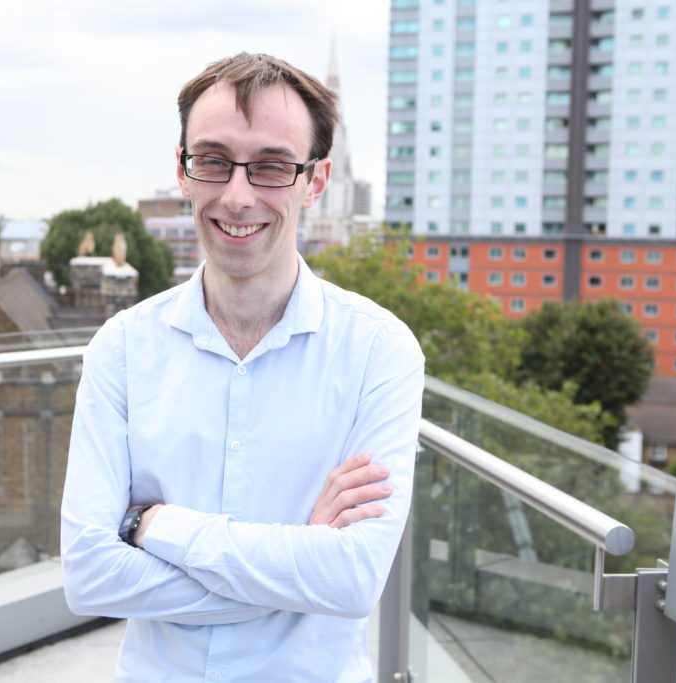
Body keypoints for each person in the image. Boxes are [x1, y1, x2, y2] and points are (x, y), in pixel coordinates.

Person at [61, 52, 424, 682]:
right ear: (183, 170)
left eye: (272, 167)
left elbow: (353, 580)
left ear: (316, 181)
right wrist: (296, 569)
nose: (237, 195)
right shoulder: (120, 348)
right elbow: (89, 577)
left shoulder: (379, 352)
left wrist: (157, 526)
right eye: (213, 160)